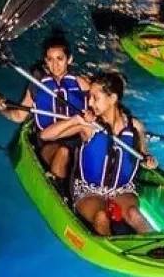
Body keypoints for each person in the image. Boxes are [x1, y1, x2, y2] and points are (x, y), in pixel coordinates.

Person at [41, 72, 155, 237]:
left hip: (122, 190)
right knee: (101, 217)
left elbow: (143, 156)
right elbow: (46, 135)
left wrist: (149, 161)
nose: (89, 102)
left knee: (134, 214)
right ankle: (113, 255)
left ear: (112, 99)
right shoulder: (89, 126)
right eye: (89, 97)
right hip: (89, 191)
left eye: (95, 97)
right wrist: (75, 121)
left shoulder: (135, 126)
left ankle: (157, 250)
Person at [0, 36, 90, 181]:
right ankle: (60, 187)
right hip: (49, 140)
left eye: (60, 59)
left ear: (69, 59)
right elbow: (19, 116)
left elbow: (100, 110)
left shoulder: (82, 83)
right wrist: (0, 109)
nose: (55, 65)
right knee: (63, 152)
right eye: (50, 59)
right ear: (45, 61)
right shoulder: (38, 85)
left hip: (78, 136)